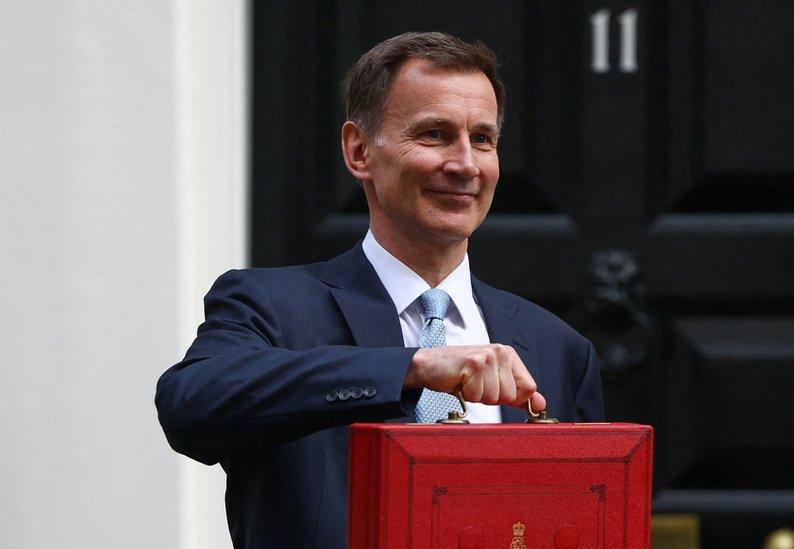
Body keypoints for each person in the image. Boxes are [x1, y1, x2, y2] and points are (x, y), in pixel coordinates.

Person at [155, 31, 603, 548]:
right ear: (359, 150)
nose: (464, 165)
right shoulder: (271, 306)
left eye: (482, 139)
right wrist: (409, 367)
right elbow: (190, 405)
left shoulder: (559, 349)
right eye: (434, 134)